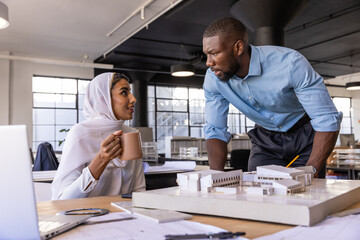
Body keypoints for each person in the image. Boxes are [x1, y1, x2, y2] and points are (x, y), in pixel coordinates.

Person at [202, 17, 342, 178]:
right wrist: (215, 179)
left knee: (306, 194)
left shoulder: (290, 63)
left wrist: (312, 171)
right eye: (206, 54)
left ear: (238, 47)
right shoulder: (213, 79)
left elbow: (326, 118)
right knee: (259, 196)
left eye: (214, 53)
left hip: (305, 137)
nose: (208, 62)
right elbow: (215, 129)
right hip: (265, 140)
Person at [52, 72, 145, 200]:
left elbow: (139, 190)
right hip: (88, 217)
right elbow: (63, 200)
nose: (133, 99)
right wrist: (100, 160)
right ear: (103, 98)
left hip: (125, 216)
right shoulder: (80, 133)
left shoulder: (131, 133)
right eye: (124, 92)